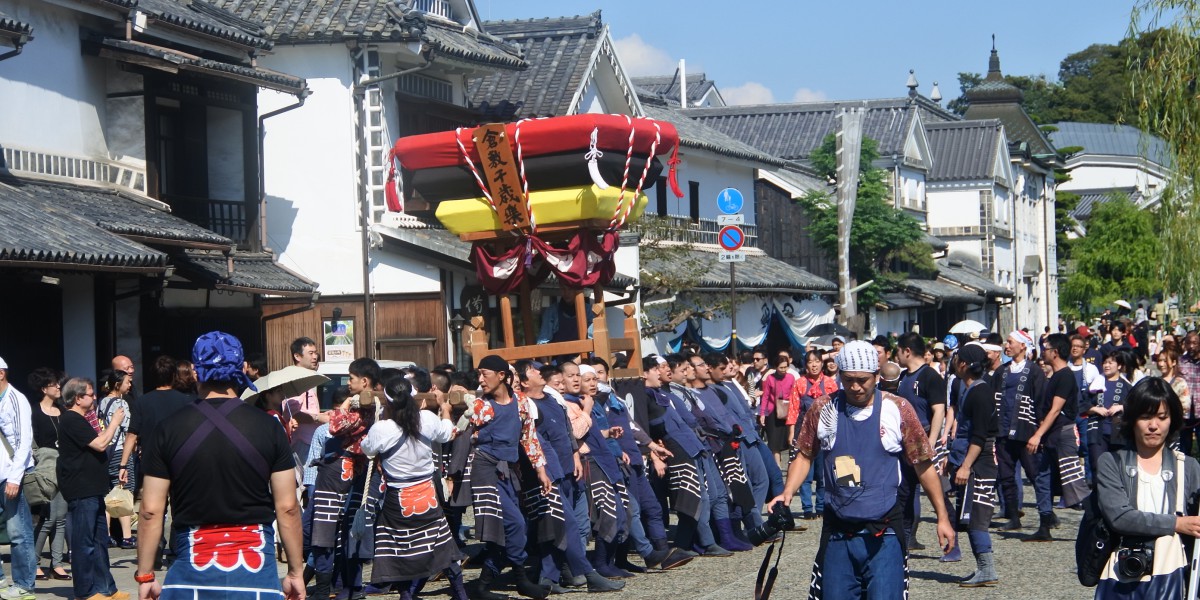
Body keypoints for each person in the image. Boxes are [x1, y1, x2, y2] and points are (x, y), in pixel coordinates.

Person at [771, 341, 955, 599]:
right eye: (848, 380)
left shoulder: (898, 409)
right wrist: (787, 491)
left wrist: (942, 517)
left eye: (863, 380)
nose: (855, 387)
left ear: (877, 376)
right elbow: (804, 454)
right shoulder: (823, 409)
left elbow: (923, 463)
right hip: (838, 530)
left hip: (885, 530)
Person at [134, 331, 304, 600]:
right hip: (256, 565)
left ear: (195, 372)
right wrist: (296, 572)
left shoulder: (167, 429)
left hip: (192, 563)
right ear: (242, 369)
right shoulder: (269, 428)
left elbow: (151, 511)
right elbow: (288, 507)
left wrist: (145, 576)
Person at [361, 376, 467, 599]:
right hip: (426, 492)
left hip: (397, 498)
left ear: (388, 401)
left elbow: (367, 449)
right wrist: (445, 410)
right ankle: (460, 593)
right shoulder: (427, 419)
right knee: (442, 544)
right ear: (413, 397)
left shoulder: (382, 428)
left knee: (398, 550)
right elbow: (447, 433)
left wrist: (379, 418)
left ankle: (406, 595)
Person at [1093, 377, 1200, 597]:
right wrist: (1177, 523)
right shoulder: (1110, 462)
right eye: (1145, 417)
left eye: (1162, 417)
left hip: (1172, 572)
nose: (1154, 425)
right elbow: (1120, 517)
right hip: (1121, 576)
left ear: (1173, 420)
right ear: (1132, 420)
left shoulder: (1188, 467)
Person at [462, 355, 551, 600]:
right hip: (484, 469)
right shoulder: (481, 406)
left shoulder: (521, 402)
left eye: (485, 374)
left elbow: (529, 438)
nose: (480, 379)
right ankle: (520, 578)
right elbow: (460, 430)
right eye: (478, 374)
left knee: (508, 527)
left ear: (501, 376)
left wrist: (541, 470)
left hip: (508, 471)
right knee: (514, 524)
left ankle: (482, 586)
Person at [57, 377, 126, 600]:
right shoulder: (70, 419)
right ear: (78, 398)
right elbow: (99, 444)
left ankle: (107, 588)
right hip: (81, 489)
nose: (95, 397)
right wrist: (115, 422)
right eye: (90, 394)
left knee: (99, 542)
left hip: (93, 488)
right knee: (84, 543)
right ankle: (85, 592)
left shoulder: (83, 419)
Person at [1025, 333, 1091, 541]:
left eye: (1045, 348)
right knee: (1042, 478)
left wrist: (1037, 435)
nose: (1042, 351)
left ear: (1055, 352)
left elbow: (1055, 410)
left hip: (1063, 434)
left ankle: (1099, 520)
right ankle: (1045, 523)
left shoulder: (1065, 376)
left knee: (1073, 481)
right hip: (1051, 436)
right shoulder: (1054, 375)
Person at [943, 345, 1000, 586]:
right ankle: (982, 568)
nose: (954, 361)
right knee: (967, 518)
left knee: (976, 517)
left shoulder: (981, 392)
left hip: (980, 460)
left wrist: (966, 466)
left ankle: (987, 569)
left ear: (964, 363)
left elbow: (979, 436)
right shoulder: (965, 388)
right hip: (967, 456)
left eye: (957, 358)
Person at [895, 332, 947, 550]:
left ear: (907, 351)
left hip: (924, 439)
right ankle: (904, 543)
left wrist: (931, 442)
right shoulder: (902, 377)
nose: (895, 355)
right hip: (905, 443)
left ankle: (951, 543)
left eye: (897, 350)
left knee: (938, 495)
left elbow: (939, 410)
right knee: (904, 494)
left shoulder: (930, 376)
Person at [0, 356, 37, 600]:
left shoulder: (16, 398)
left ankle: (24, 585)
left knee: (18, 532)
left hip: (11, 474)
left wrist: (15, 477)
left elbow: (24, 441)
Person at [27, 368, 69, 581]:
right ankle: (33, 562)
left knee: (61, 517)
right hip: (45, 467)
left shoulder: (62, 410)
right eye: (55, 384)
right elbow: (29, 440)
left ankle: (57, 564)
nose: (59, 387)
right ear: (44, 388)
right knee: (48, 517)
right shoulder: (33, 411)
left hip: (63, 465)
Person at [789, 350, 838, 519]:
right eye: (810, 362)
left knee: (823, 473)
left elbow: (837, 409)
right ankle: (807, 508)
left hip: (825, 432)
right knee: (806, 473)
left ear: (822, 363)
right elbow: (793, 409)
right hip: (804, 432)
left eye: (817, 361)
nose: (814, 365)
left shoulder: (831, 383)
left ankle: (821, 507)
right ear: (806, 365)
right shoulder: (799, 383)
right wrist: (791, 433)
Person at [97, 369, 136, 549]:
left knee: (108, 493)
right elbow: (129, 430)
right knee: (124, 490)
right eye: (127, 382)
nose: (130, 385)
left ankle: (106, 534)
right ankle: (127, 536)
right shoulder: (121, 404)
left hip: (106, 450)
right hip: (120, 450)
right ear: (118, 384)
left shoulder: (102, 402)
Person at [283, 337, 328, 461]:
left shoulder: (305, 380)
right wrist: (319, 417)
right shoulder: (295, 381)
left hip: (310, 441)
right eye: (310, 353)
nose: (315, 357)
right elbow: (293, 415)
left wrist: (321, 415)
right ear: (297, 356)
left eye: (315, 353)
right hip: (301, 442)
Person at [759, 353, 796, 470]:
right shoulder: (770, 378)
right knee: (774, 442)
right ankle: (777, 466)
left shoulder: (791, 377)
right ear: (775, 367)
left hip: (788, 411)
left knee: (789, 438)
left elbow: (794, 394)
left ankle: (791, 463)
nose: (784, 370)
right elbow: (765, 396)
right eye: (781, 367)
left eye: (786, 367)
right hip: (773, 412)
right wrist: (762, 413)